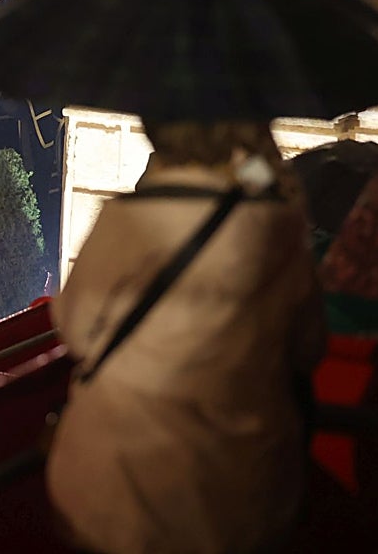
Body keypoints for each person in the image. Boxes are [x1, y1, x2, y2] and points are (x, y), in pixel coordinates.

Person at [46, 119, 326, 554]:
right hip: (239, 490)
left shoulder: (126, 218)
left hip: (117, 484)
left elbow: (77, 333)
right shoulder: (279, 224)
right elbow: (309, 347)